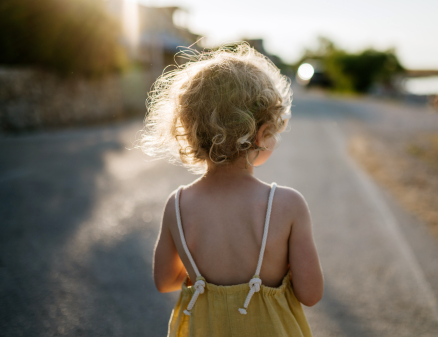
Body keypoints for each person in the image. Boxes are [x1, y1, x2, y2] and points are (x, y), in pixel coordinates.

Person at [139, 44, 324, 337]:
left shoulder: (178, 205)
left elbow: (165, 281)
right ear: (262, 135)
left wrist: (204, 271)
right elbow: (311, 293)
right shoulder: (287, 205)